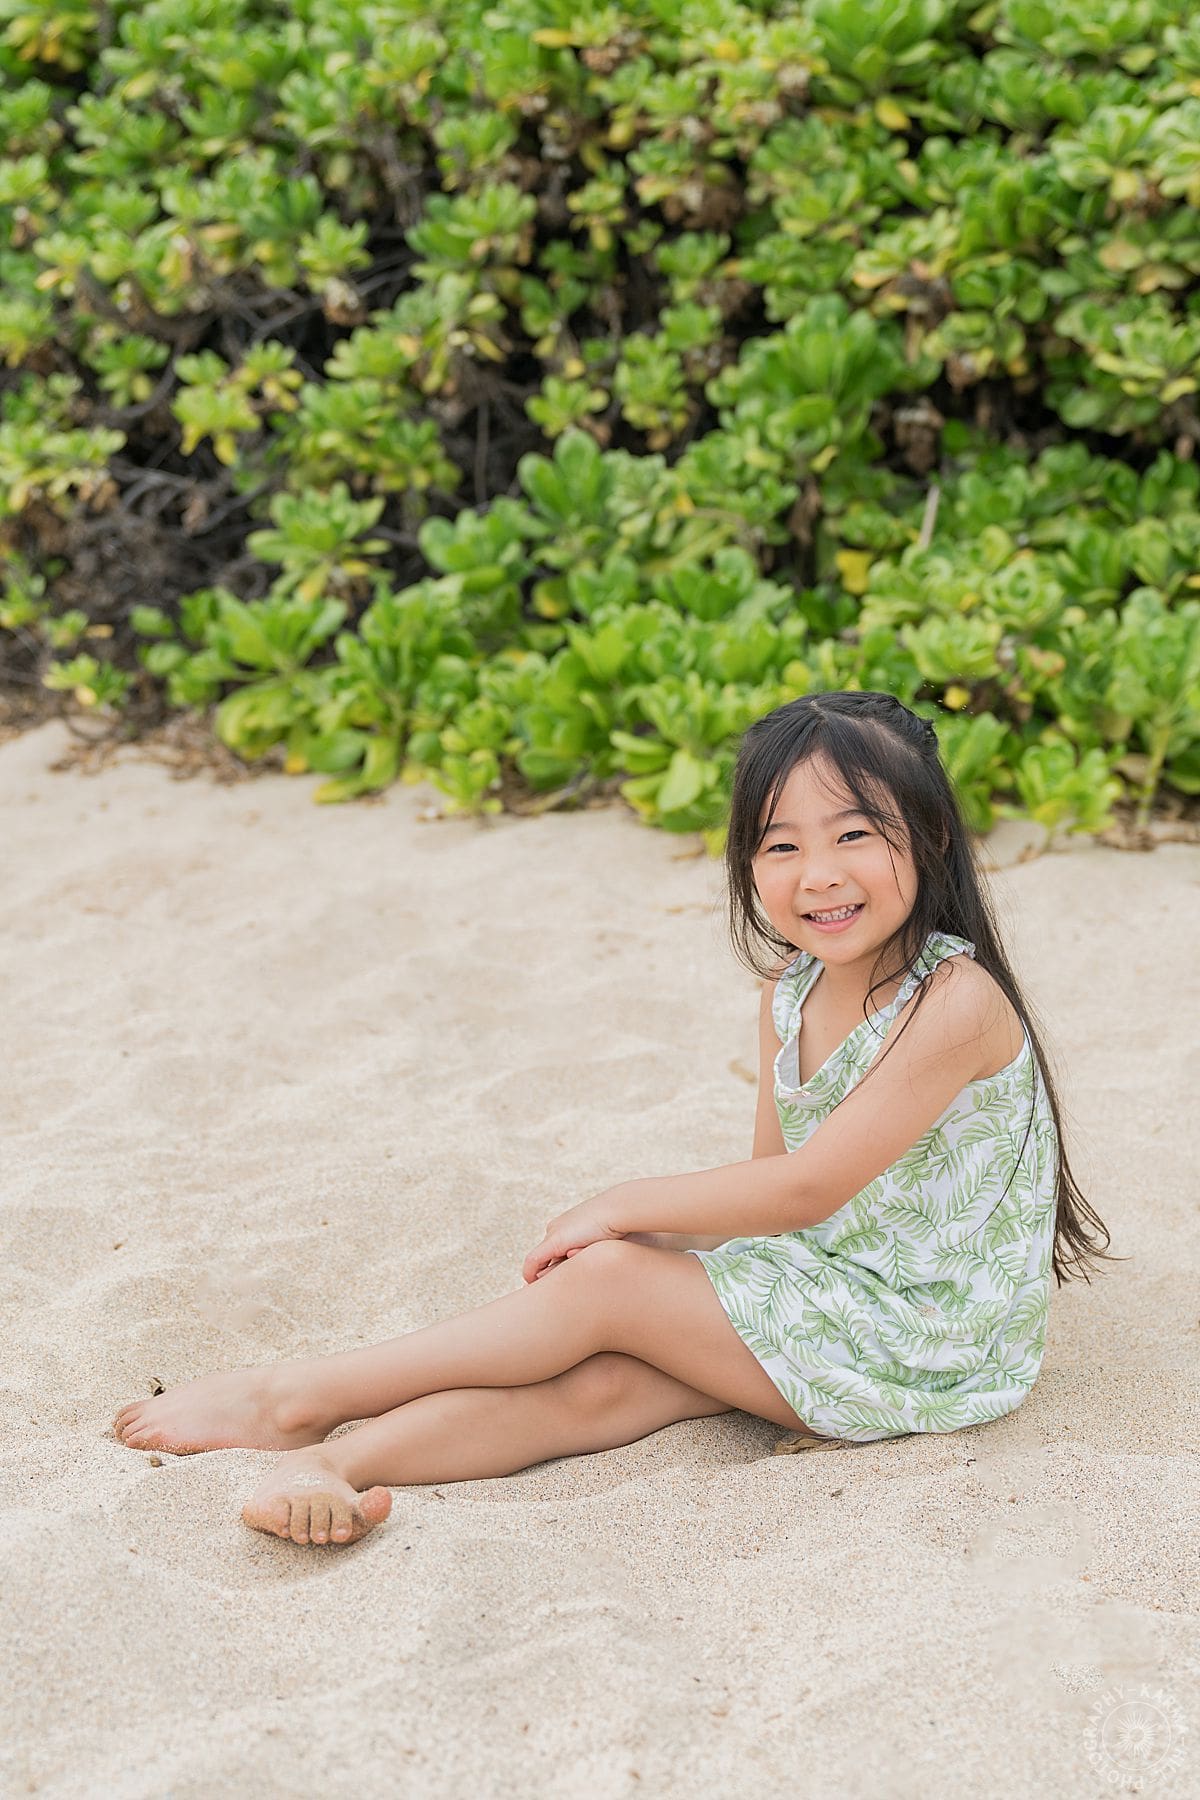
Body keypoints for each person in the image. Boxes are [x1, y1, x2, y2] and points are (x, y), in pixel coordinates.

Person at [112, 690, 1117, 1547]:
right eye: (781, 845)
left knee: (607, 1286)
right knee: (605, 1385)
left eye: (855, 833)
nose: (819, 873)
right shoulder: (791, 994)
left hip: (932, 1335)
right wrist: (665, 1235)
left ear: (930, 836)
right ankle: (340, 1463)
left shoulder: (956, 1002)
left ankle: (295, 1398)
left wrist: (618, 1213)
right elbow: (768, 1195)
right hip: (831, 1291)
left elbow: (807, 1188)